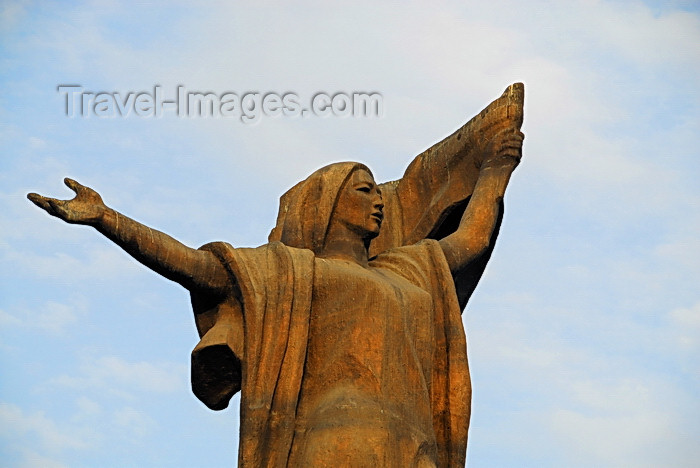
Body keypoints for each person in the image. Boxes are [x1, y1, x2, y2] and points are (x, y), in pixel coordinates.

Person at [28, 86, 524, 468]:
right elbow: (190, 265)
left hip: (416, 448)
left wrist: (497, 168)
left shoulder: (408, 269)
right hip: (330, 441)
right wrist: (106, 217)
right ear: (324, 205)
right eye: (365, 190)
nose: (379, 202)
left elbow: (471, 240)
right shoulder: (288, 272)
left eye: (378, 194)